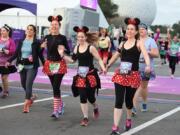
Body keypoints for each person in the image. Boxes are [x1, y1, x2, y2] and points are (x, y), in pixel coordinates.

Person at [106, 18, 151, 134]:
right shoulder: (122, 43)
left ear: (136, 32)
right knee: (119, 100)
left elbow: (146, 55)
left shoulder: (139, 43)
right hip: (121, 75)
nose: (129, 31)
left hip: (133, 76)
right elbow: (116, 56)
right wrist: (108, 65)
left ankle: (129, 118)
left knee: (129, 101)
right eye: (128, 29)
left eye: (132, 29)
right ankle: (115, 127)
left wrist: (148, 65)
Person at [70, 26, 106, 126]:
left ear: (85, 37)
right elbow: (73, 60)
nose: (80, 38)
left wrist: (103, 68)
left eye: (82, 37)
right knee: (82, 97)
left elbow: (99, 59)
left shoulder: (91, 48)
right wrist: (62, 55)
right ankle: (85, 117)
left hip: (90, 76)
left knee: (91, 97)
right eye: (78, 37)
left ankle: (95, 107)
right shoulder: (76, 48)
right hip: (80, 76)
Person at [6, 24, 44, 113]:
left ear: (34, 32)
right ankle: (32, 96)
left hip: (32, 66)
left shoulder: (37, 42)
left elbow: (40, 54)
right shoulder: (21, 41)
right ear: (25, 31)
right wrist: (9, 60)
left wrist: (45, 64)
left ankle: (26, 105)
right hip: (21, 65)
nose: (29, 31)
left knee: (28, 84)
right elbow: (16, 53)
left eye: (31, 30)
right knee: (23, 84)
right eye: (28, 29)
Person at [41, 15, 70, 118]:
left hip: (60, 64)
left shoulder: (62, 38)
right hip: (49, 64)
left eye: (56, 24)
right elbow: (41, 51)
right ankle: (60, 104)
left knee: (56, 86)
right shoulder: (47, 37)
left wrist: (63, 50)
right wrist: (41, 47)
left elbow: (69, 51)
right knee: (54, 86)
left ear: (59, 26)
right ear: (50, 26)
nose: (54, 26)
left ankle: (56, 110)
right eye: (52, 24)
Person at [132, 23, 159, 114]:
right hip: (135, 67)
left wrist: (146, 51)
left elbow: (156, 54)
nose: (141, 30)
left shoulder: (151, 41)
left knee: (142, 86)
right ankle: (137, 105)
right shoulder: (135, 40)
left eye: (143, 29)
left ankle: (141, 103)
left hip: (146, 67)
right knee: (138, 86)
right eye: (140, 29)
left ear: (146, 30)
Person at [0, 24, 17, 98]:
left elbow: (13, 51)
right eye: (1, 30)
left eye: (4, 31)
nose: (2, 32)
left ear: (8, 32)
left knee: (4, 78)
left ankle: (6, 91)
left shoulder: (11, 41)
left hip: (7, 63)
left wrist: (6, 51)